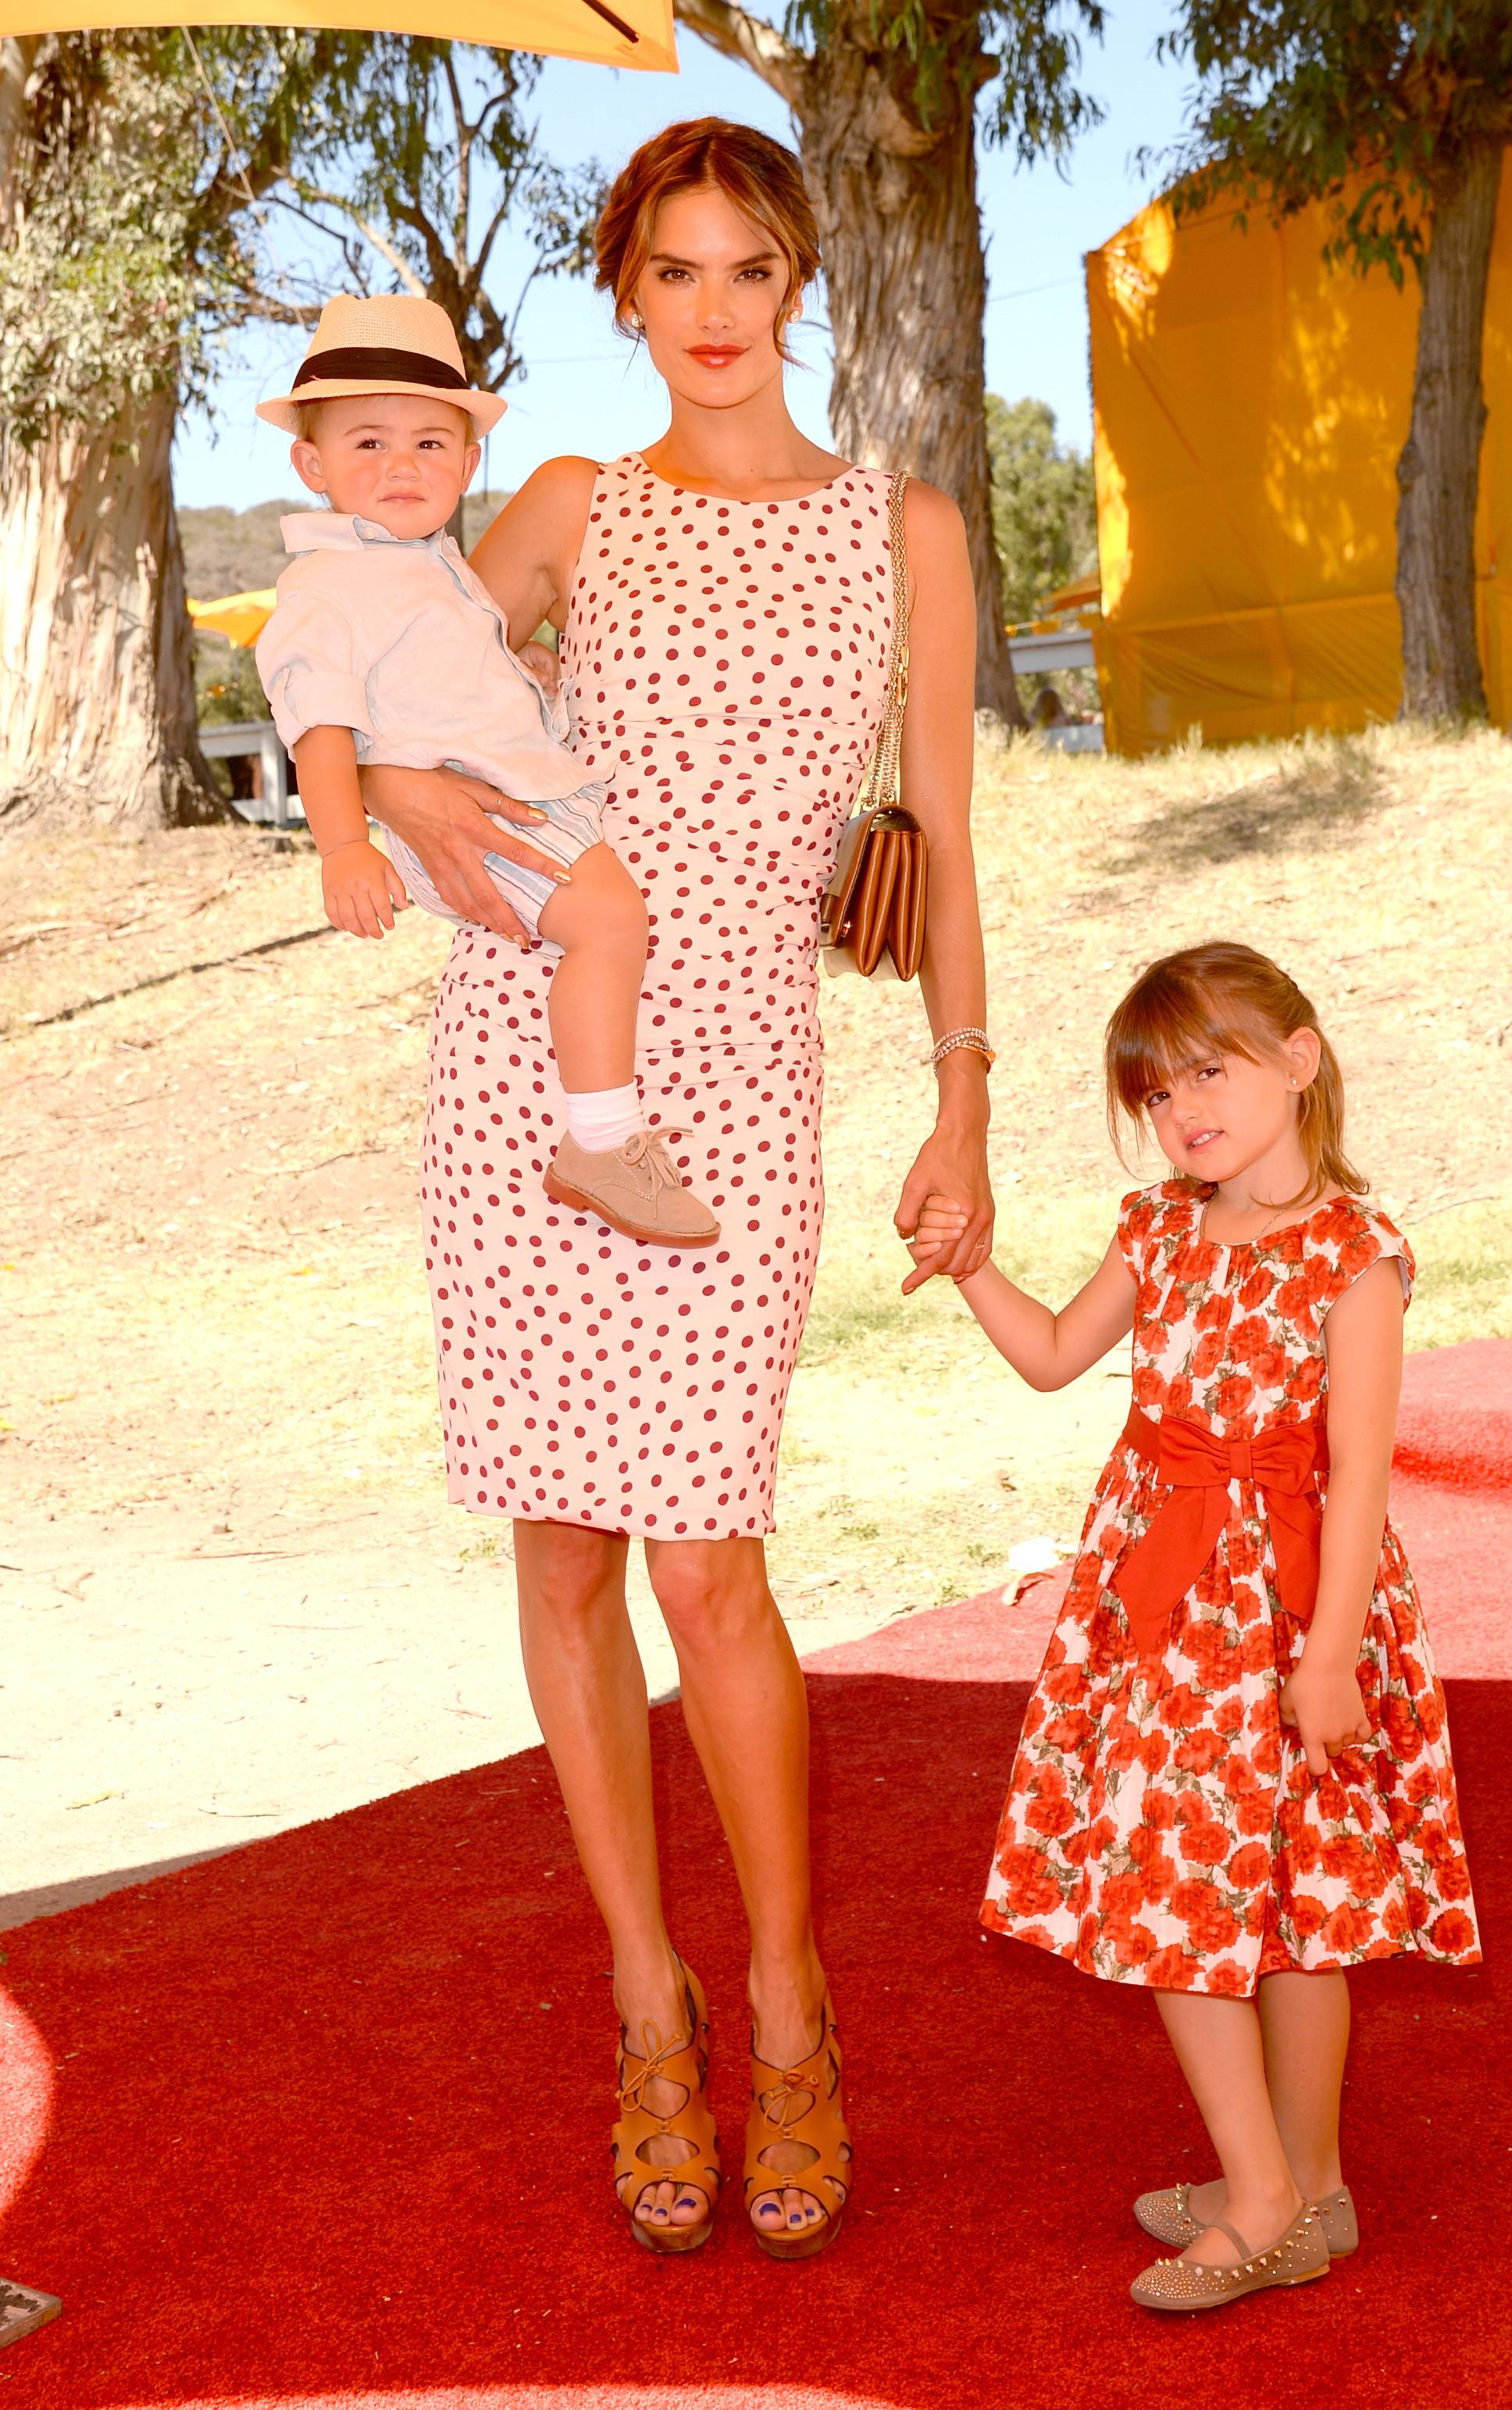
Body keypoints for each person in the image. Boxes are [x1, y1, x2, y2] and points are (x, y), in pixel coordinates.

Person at [355, 120, 994, 2258]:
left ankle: (789, 1997)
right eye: (674, 271)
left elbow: (943, 843)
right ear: (625, 292)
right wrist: (402, 784)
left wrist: (962, 1100)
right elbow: (378, 686)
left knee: (711, 1560)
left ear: (797, 282)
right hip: (534, 1056)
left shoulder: (904, 530)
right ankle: (649, 1994)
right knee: (560, 1552)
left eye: (748, 269)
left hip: (743, 1078)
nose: (713, 311)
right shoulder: (565, 506)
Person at [911, 941, 1479, 2312]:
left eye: (1207, 1073)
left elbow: (1357, 1479)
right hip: (1159, 1612)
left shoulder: (1354, 1259)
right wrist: (968, 1265)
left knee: (1259, 1900)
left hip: (1288, 1610)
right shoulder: (1159, 1228)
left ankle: (1276, 2197)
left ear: (1299, 1059)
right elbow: (1054, 1356)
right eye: (1157, 1095)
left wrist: (1329, 1657)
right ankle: (1298, 2189)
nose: (1182, 1112)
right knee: (1217, 1890)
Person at [253, 293, 717, 1248]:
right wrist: (342, 846)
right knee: (610, 920)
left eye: (430, 444)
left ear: (468, 464)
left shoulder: (430, 566)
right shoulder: (326, 584)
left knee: (609, 921)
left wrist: (527, 677)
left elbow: (447, 686)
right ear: (312, 466)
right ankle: (600, 1139)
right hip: (479, 815)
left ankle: (601, 1125)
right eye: (369, 443)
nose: (403, 466)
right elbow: (318, 722)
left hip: (510, 793)